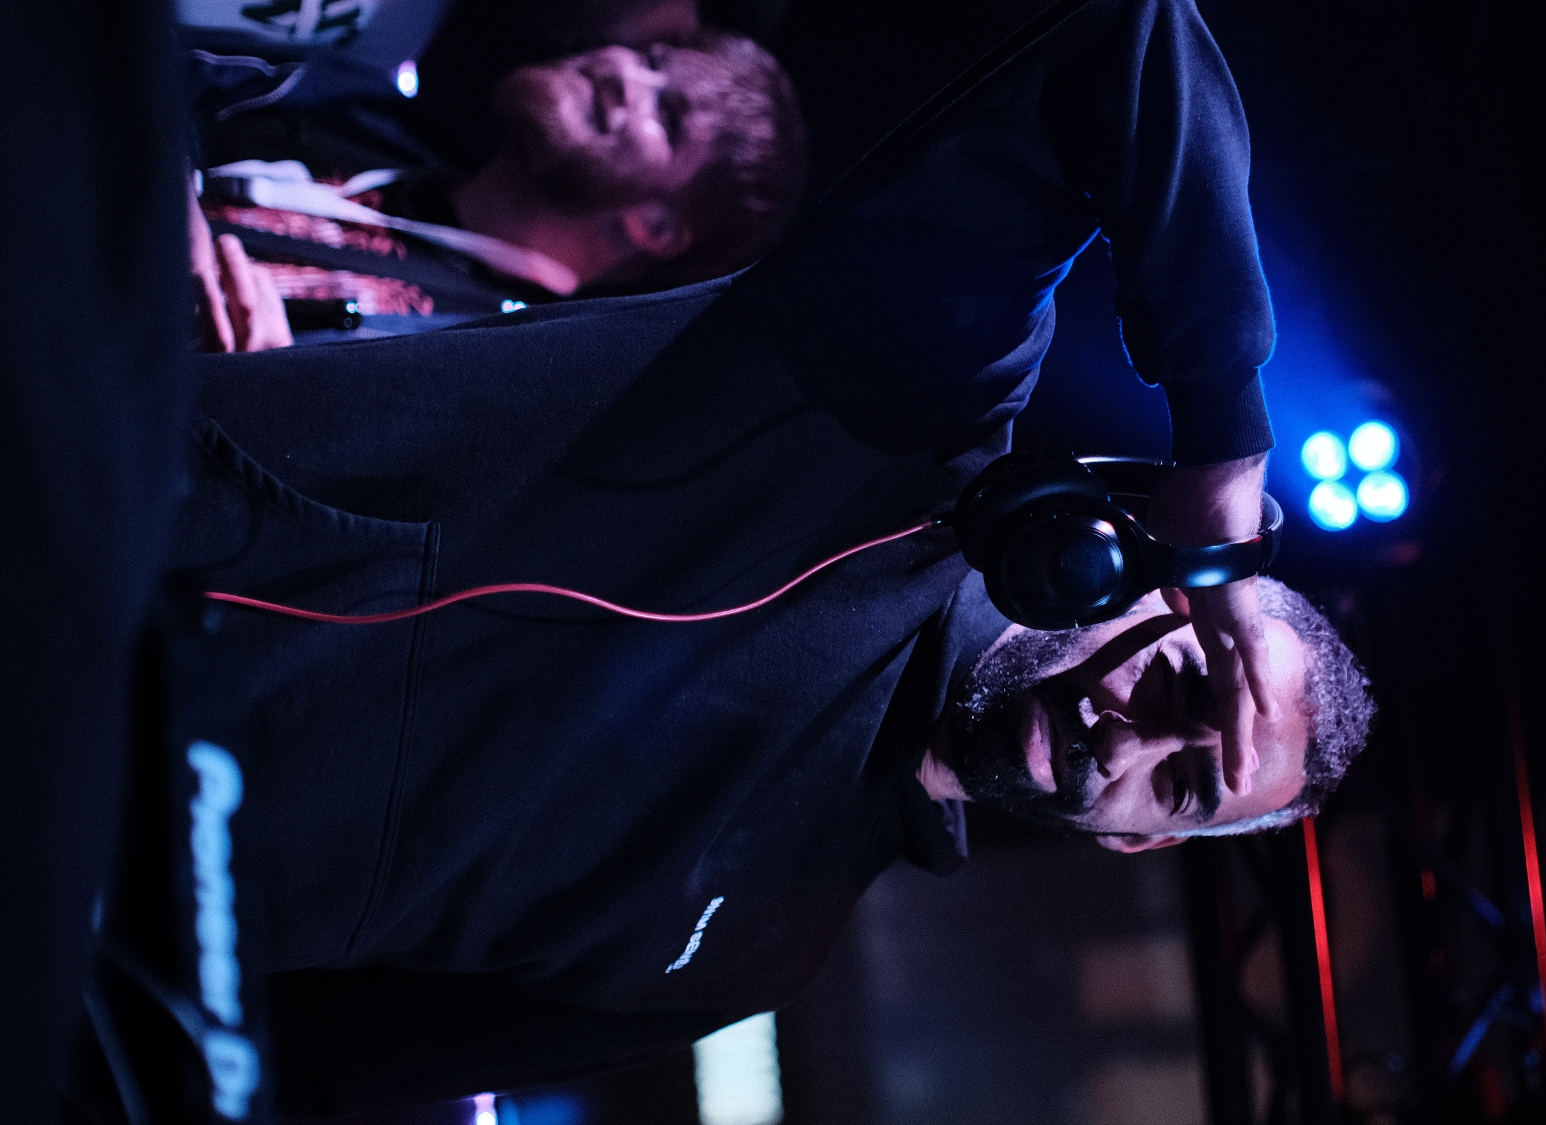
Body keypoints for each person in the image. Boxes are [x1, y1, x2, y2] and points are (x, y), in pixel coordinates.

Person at [85, 0, 1373, 1113]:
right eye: (1186, 683)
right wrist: (1222, 447)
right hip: (79, 529)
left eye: (1183, 782)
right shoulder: (900, 414)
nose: (1130, 738)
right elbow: (1123, 36)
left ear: (1139, 845)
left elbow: (291, 1061)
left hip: (59, 853)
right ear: (1154, 588)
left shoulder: (759, 954)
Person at [188, 24, 806, 345]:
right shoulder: (361, 103)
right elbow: (156, 73)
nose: (622, 71)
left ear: (658, 228)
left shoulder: (468, 354)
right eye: (650, 60)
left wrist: (265, 394)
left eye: (666, 116)